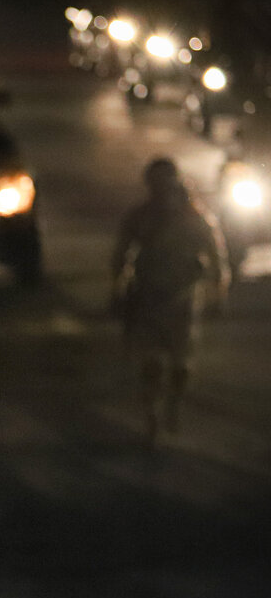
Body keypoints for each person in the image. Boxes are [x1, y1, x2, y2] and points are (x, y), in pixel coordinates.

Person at [112, 158, 229, 443]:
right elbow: (121, 255)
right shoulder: (141, 216)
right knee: (151, 362)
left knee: (180, 365)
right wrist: (118, 287)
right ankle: (153, 415)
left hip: (183, 298)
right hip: (149, 297)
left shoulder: (194, 217)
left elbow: (216, 257)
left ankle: (172, 404)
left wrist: (218, 292)